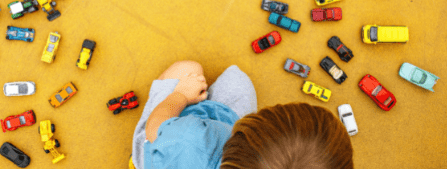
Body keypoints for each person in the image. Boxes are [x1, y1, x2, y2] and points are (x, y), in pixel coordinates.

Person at [131, 61, 353, 169]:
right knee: (238, 80)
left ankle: (137, 163)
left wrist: (180, 95)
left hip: (165, 141)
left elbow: (156, 127)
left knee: (187, 69)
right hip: (217, 122)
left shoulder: (187, 141)